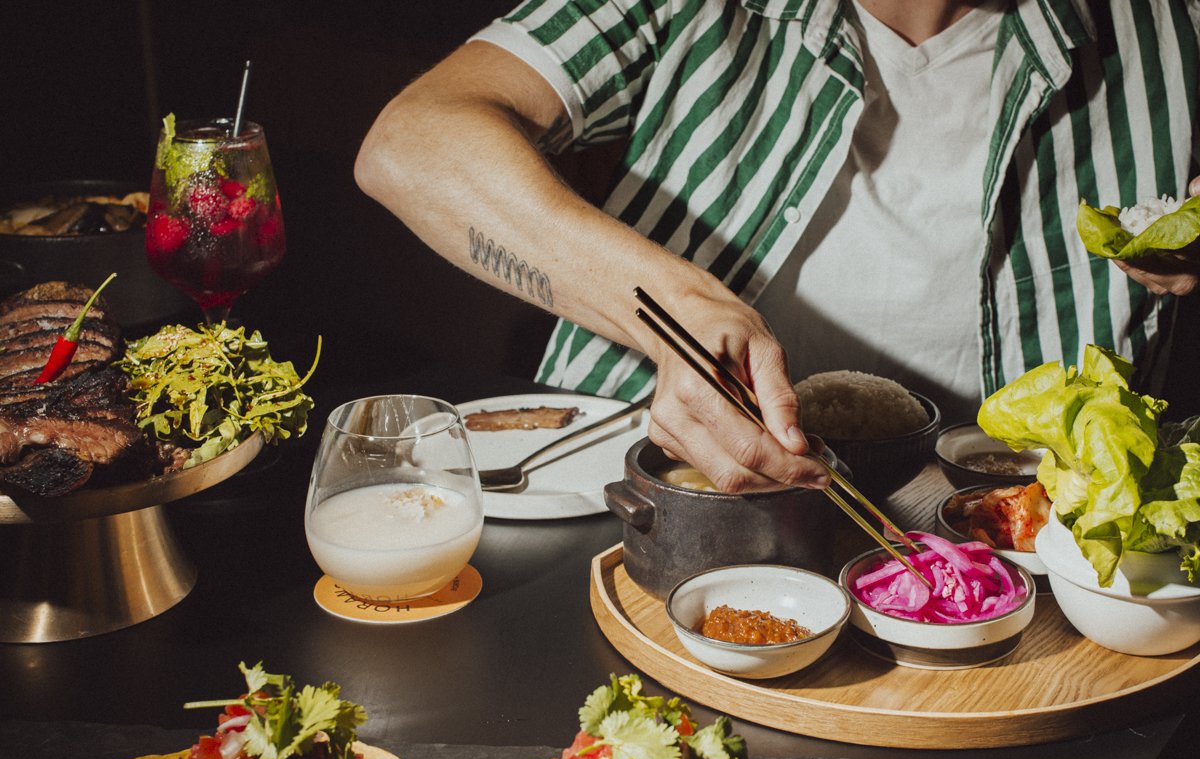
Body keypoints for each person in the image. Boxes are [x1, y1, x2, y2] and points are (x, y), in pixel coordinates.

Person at [355, 0, 1200, 493]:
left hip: (1018, 555)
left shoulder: (1171, 29)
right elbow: (411, 146)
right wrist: (673, 311)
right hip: (649, 510)